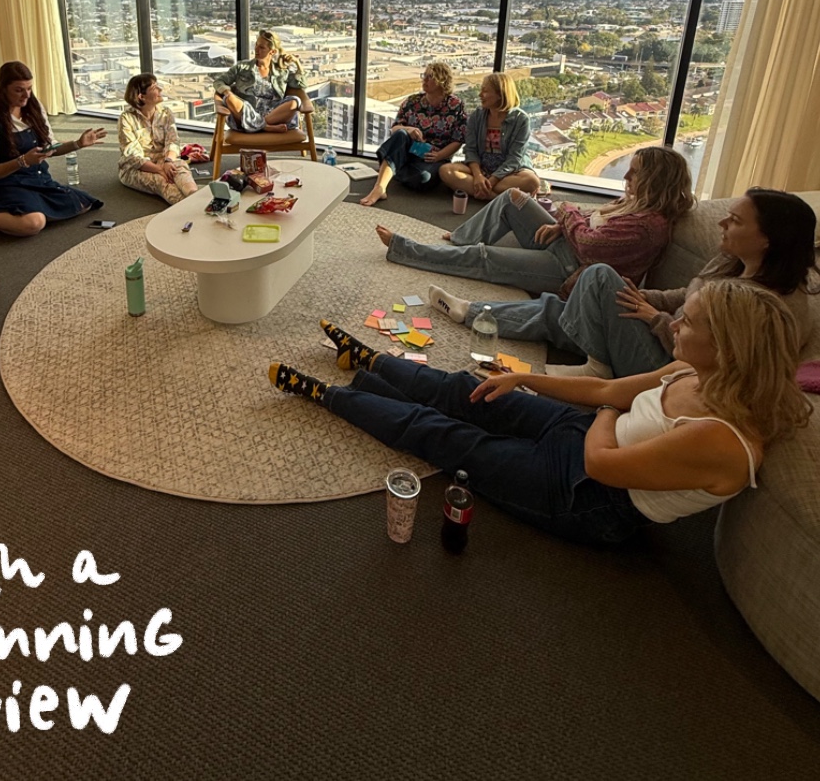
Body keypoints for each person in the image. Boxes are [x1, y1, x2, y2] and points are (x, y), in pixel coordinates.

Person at [267, 281, 811, 546]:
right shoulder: (690, 370)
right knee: (468, 390)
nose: (673, 325)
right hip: (587, 433)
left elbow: (602, 462)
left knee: (444, 435)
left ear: (729, 347)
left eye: (688, 323)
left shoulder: (723, 440)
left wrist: (607, 406)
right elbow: (608, 389)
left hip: (589, 497)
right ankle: (370, 361)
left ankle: (326, 395)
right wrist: (523, 379)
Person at [431, 188, 819, 378]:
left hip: (666, 364)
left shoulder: (770, 306)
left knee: (596, 276)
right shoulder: (732, 260)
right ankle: (471, 312)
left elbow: (711, 360)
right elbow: (685, 294)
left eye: (735, 221)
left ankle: (597, 368)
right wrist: (642, 298)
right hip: (659, 331)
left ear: (768, 239)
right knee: (564, 306)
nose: (722, 223)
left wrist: (654, 319)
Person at [375, 145, 694, 296]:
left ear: (654, 180)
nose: (625, 177)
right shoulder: (633, 204)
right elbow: (584, 221)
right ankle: (461, 238)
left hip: (570, 269)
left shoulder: (648, 225)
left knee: (484, 258)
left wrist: (565, 214)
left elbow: (588, 243)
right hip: (564, 244)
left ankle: (406, 250)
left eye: (634, 173)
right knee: (513, 198)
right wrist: (562, 222)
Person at [0, 61, 105, 236]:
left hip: (37, 180)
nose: (26, 95)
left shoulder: (34, 108)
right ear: (3, 89)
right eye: (19, 90)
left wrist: (77, 144)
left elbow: (50, 148)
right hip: (3, 185)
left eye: (29, 88)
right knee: (35, 223)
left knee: (84, 204)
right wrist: (22, 161)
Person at [359, 62, 466, 207]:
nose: (424, 80)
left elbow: (458, 139)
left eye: (430, 77)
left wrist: (440, 155)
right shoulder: (412, 101)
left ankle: (391, 167)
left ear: (442, 81)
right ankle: (380, 187)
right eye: (424, 75)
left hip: (434, 156)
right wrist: (409, 129)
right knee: (401, 134)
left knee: (423, 178)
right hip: (410, 148)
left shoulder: (456, 105)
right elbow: (395, 129)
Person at [439, 72, 537, 199]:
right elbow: (471, 150)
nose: (480, 95)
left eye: (485, 91)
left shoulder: (521, 119)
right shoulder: (477, 116)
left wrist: (492, 180)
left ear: (500, 94)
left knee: (532, 181)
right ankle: (495, 197)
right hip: (481, 167)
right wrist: (478, 176)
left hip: (510, 171)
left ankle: (481, 191)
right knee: (445, 171)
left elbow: (514, 158)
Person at [118, 74, 198, 205]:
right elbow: (133, 156)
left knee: (180, 170)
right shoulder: (126, 118)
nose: (160, 89)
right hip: (137, 167)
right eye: (154, 87)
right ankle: (193, 207)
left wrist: (168, 161)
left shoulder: (166, 112)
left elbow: (173, 141)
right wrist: (159, 169)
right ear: (141, 96)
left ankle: (194, 196)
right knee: (162, 181)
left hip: (164, 159)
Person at [213, 30, 311, 133]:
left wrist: (297, 63)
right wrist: (226, 91)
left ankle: (257, 125)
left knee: (295, 101)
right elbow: (219, 81)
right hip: (245, 113)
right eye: (256, 45)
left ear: (272, 52)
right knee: (229, 98)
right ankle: (264, 126)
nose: (256, 49)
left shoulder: (282, 71)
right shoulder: (242, 67)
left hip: (272, 115)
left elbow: (302, 85)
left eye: (261, 47)